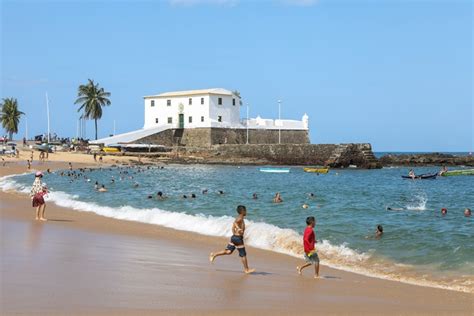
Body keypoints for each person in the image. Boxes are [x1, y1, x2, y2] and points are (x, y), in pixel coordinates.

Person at [209, 205, 255, 274]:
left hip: (234, 237)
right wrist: (239, 229)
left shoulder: (239, 218)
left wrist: (234, 232)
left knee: (228, 251)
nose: (246, 212)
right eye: (245, 210)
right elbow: (235, 223)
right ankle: (246, 269)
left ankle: (214, 254)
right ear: (243, 211)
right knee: (243, 254)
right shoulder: (240, 218)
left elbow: (233, 225)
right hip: (238, 239)